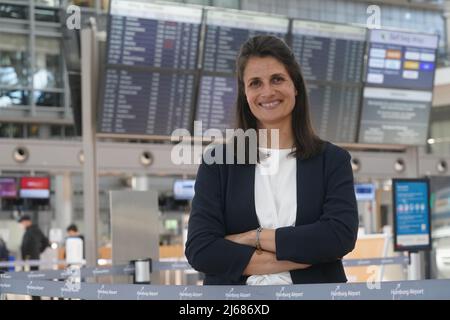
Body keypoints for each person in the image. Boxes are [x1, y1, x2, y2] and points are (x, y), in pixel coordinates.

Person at [185, 35, 358, 285]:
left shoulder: (331, 160)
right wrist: (305, 253)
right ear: (245, 93)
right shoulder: (218, 163)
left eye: (277, 79)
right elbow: (202, 250)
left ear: (295, 86)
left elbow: (339, 237)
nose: (267, 92)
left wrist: (252, 237)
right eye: (255, 83)